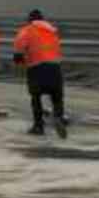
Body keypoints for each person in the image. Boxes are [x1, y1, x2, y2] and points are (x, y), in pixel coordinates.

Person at [13, 9, 69, 138]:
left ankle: (38, 126)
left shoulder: (27, 30)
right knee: (57, 97)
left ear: (30, 20)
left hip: (37, 68)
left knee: (36, 97)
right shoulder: (52, 31)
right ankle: (59, 117)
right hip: (55, 67)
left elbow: (18, 51)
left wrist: (19, 59)